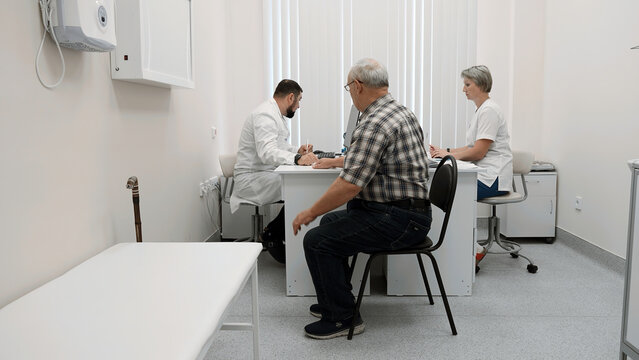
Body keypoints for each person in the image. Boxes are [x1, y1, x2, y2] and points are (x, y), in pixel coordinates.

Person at [292, 58, 432, 339]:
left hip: (399, 219)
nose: (350, 93)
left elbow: (350, 186)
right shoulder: (400, 111)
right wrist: (335, 162)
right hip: (407, 214)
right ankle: (337, 301)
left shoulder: (374, 122)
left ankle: (342, 318)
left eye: (348, 87)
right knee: (332, 222)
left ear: (357, 86)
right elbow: (369, 161)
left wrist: (309, 212)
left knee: (317, 240)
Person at [429, 65, 513, 264]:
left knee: (452, 195)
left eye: (467, 84)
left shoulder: (489, 111)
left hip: (493, 177)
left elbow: (478, 152)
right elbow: (471, 147)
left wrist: (448, 155)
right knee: (446, 192)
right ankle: (464, 247)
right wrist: (446, 152)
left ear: (481, 85)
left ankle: (473, 249)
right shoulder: (482, 110)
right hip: (486, 172)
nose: (463, 89)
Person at [232, 79, 318, 262]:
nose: (299, 106)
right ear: (291, 97)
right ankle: (272, 233)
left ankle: (276, 232)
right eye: (299, 100)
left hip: (264, 173)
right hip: (251, 179)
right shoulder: (265, 115)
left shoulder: (274, 115)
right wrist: (297, 159)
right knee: (301, 189)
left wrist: (297, 150)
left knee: (303, 187)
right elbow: (267, 153)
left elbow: (278, 146)